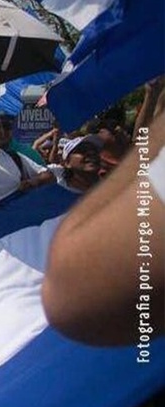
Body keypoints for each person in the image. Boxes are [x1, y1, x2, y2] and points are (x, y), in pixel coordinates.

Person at [43, 113, 164, 346]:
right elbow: (72, 291)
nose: (90, 153)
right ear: (66, 162)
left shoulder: (118, 194)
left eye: (92, 149)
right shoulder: (48, 199)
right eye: (81, 150)